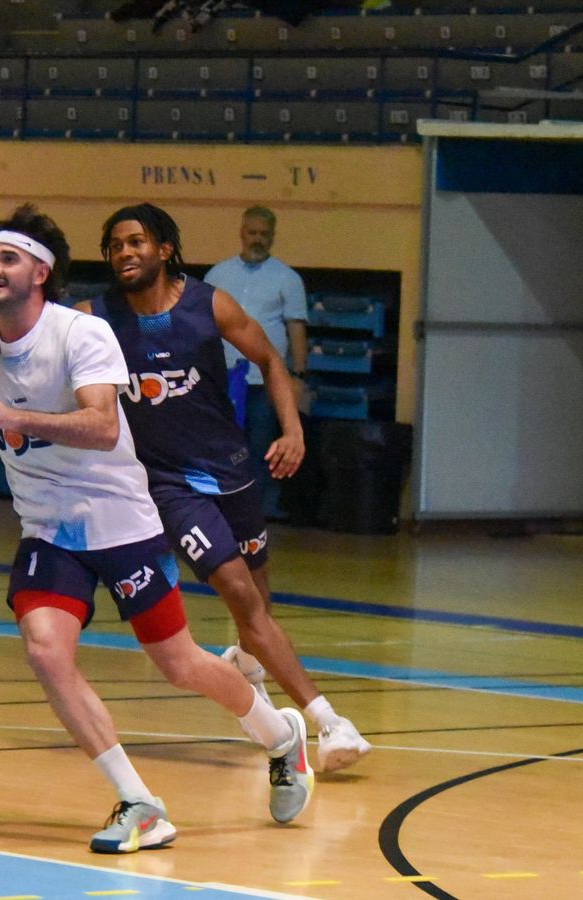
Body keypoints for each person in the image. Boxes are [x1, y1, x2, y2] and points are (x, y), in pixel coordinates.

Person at [0, 204, 313, 855]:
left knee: (181, 665)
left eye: (8, 257)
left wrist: (11, 413)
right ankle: (140, 802)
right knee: (46, 650)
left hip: (122, 520)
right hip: (47, 529)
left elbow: (103, 426)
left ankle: (281, 737)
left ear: (40, 272)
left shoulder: (81, 334)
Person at [88, 203, 371, 774]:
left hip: (230, 469)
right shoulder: (94, 320)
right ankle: (328, 723)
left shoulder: (208, 303)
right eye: (115, 245)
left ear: (165, 249)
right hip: (166, 485)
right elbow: (37, 342)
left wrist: (293, 430)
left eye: (136, 242)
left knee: (259, 607)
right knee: (240, 596)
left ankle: (246, 663)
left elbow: (270, 359)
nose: (125, 252)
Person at [202, 207, 308, 520]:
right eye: (253, 233)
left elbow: (296, 327)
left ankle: (259, 511)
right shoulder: (218, 274)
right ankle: (220, 509)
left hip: (265, 382)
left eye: (264, 234)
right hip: (222, 379)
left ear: (273, 236)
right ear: (242, 232)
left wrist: (298, 375)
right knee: (222, 447)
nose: (257, 239)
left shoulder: (287, 279)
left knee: (262, 447)